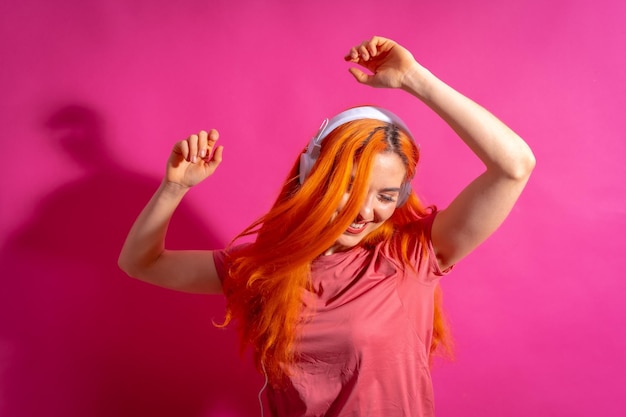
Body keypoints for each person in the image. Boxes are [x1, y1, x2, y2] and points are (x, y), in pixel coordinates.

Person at [118, 36, 535, 416]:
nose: (364, 211)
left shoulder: (410, 257)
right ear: (313, 180)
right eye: (349, 190)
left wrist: (413, 78)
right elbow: (141, 263)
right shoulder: (263, 268)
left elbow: (514, 167)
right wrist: (174, 188)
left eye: (386, 196)